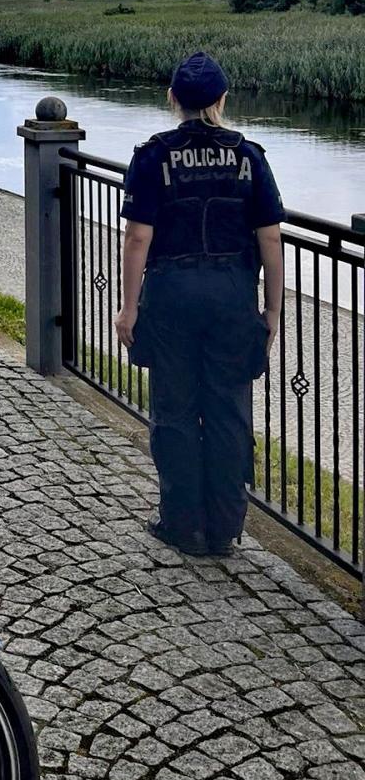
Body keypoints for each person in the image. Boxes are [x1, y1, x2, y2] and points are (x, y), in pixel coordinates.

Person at [114, 52, 284, 557]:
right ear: (221, 100)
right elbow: (271, 240)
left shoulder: (152, 156)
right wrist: (272, 311)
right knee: (230, 412)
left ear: (173, 99)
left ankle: (182, 524)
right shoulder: (249, 156)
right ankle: (226, 528)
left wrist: (128, 308)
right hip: (232, 297)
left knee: (174, 411)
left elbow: (137, 240)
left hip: (170, 298)